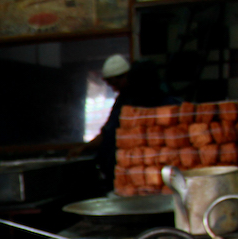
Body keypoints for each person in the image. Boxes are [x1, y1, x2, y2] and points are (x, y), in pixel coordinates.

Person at [73, 54, 178, 185]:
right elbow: (109, 133)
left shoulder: (161, 103)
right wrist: (85, 148)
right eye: (110, 84)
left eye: (115, 83)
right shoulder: (123, 102)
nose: (114, 88)